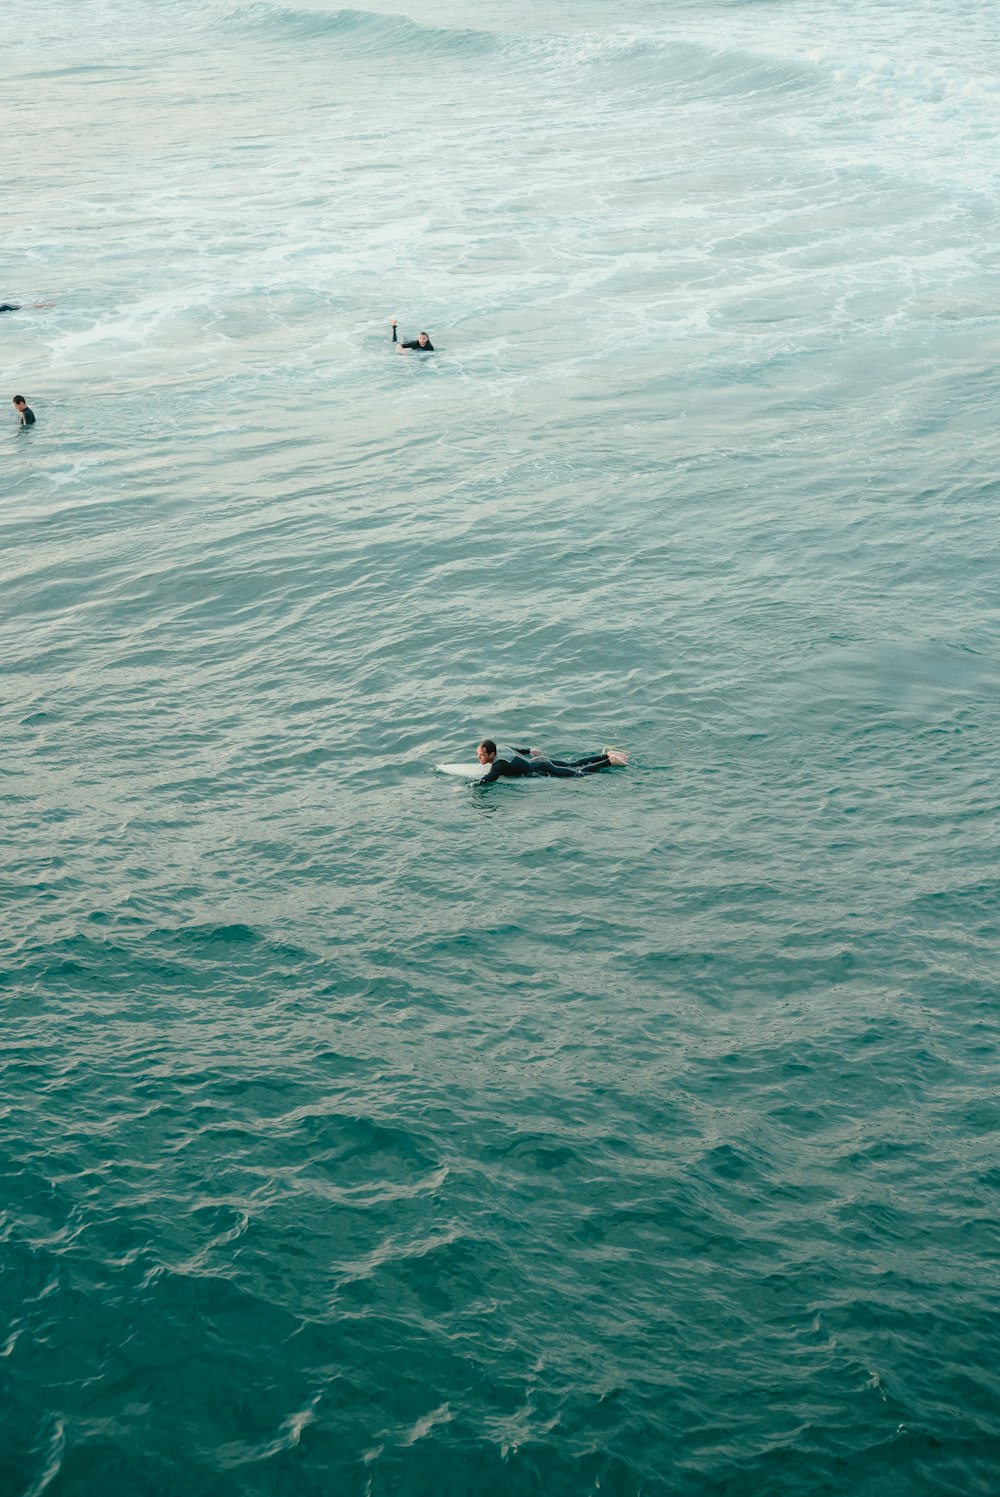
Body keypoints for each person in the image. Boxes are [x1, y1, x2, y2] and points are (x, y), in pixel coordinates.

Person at [475, 740, 628, 784]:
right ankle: (605, 755)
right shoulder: (501, 747)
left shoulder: (498, 765)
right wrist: (530, 750)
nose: (479, 758)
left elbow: (488, 779)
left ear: (492, 754)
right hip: (539, 760)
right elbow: (516, 748)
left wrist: (470, 786)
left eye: (481, 755)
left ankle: (609, 762)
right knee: (573, 763)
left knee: (578, 774)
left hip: (542, 767)